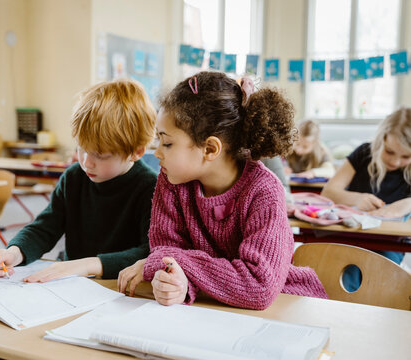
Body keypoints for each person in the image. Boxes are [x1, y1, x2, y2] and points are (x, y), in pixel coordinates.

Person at [117, 71, 327, 310]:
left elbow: (258, 287)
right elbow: (168, 258)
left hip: (286, 307)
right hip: (211, 309)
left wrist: (174, 263)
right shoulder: (172, 182)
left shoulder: (264, 191)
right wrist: (179, 283)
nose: (158, 152)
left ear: (209, 148)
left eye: (167, 143)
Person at [0, 78, 157, 281]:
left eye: (100, 155)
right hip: (73, 287)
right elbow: (45, 227)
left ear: (136, 152)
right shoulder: (74, 177)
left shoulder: (150, 188)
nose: (86, 162)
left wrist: (90, 264)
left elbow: (150, 253)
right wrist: (14, 252)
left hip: (121, 291)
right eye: (81, 148)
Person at [321, 107, 411, 292]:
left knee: (379, 281)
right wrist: (356, 198)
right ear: (382, 139)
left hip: (389, 245)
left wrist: (407, 204)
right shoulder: (364, 153)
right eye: (390, 151)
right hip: (351, 237)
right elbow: (328, 192)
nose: (395, 161)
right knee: (346, 276)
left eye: (406, 156)